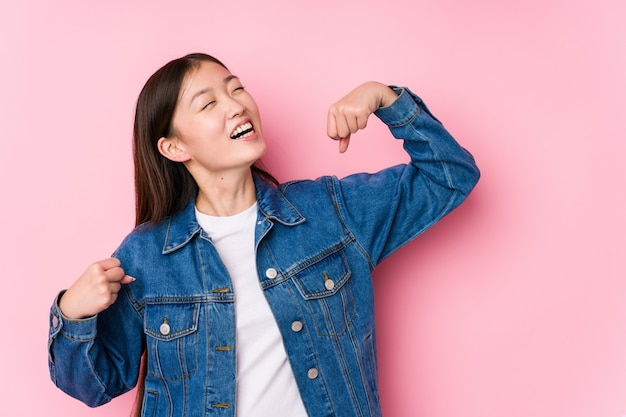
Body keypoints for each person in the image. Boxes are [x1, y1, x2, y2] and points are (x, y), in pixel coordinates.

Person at [47, 52, 480, 417]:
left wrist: (385, 99)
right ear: (175, 147)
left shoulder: (329, 212)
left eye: (236, 89)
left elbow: (450, 176)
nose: (236, 105)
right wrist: (73, 314)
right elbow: (94, 386)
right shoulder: (146, 257)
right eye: (208, 103)